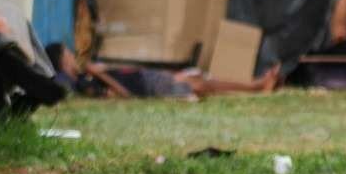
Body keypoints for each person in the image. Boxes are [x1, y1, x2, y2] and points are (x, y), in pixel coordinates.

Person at [45, 44, 281, 100]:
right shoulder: (86, 83)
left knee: (201, 79)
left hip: (147, 77)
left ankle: (255, 84)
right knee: (205, 85)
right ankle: (256, 87)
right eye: (68, 56)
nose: (73, 58)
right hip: (148, 86)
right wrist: (99, 74)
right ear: (62, 64)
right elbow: (123, 95)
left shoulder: (86, 74)